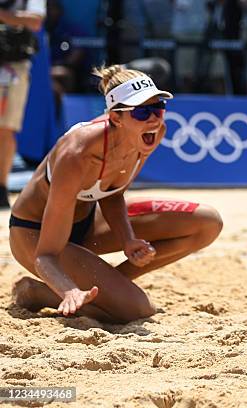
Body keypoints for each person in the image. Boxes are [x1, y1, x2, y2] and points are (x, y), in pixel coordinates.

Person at [9, 65, 223, 323]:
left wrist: (127, 240)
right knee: (137, 310)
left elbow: (111, 192)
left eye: (158, 108)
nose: (154, 119)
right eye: (142, 112)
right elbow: (46, 255)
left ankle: (109, 290)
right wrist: (68, 290)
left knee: (207, 222)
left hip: (86, 225)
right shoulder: (77, 153)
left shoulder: (150, 133)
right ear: (116, 117)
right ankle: (39, 292)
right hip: (35, 235)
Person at [0, 0, 46, 208]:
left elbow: (35, 21)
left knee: (6, 128)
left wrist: (6, 15)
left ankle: (1, 187)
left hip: (12, 66)